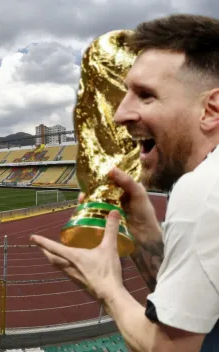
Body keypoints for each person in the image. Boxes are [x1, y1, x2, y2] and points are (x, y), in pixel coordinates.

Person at [31, 14, 219, 352]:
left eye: (145, 95)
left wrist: (106, 287)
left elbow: (170, 348)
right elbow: (196, 301)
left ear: (211, 109)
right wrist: (145, 229)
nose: (121, 114)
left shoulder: (204, 192)